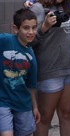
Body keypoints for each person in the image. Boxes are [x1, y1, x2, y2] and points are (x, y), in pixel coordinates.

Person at [29, 0, 70, 136]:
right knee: (45, 117)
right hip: (49, 71)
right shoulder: (37, 9)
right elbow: (28, 41)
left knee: (66, 114)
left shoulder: (68, 7)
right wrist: (43, 27)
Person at [0, 8, 41, 136]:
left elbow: (31, 86)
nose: (31, 32)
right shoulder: (5, 40)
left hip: (23, 104)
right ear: (16, 29)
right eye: (26, 28)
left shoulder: (31, 56)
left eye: (34, 28)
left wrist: (35, 107)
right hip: (3, 101)